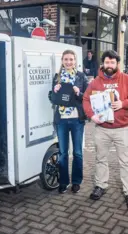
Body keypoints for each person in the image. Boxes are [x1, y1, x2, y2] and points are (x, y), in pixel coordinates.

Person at [82, 50, 128, 209]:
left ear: (117, 64)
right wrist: (91, 115)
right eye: (107, 62)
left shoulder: (127, 79)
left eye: (112, 63)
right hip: (102, 128)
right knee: (101, 158)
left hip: (122, 128)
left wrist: (123, 104)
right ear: (103, 64)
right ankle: (100, 185)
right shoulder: (95, 82)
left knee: (126, 161)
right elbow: (86, 99)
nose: (109, 65)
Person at [48, 50, 89, 194]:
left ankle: (76, 181)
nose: (68, 62)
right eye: (66, 59)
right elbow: (52, 99)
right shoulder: (57, 77)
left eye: (71, 59)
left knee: (77, 152)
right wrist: (55, 90)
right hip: (62, 120)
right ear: (62, 61)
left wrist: (79, 92)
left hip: (77, 119)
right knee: (63, 153)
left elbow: (87, 97)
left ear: (75, 61)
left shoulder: (81, 76)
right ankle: (63, 182)